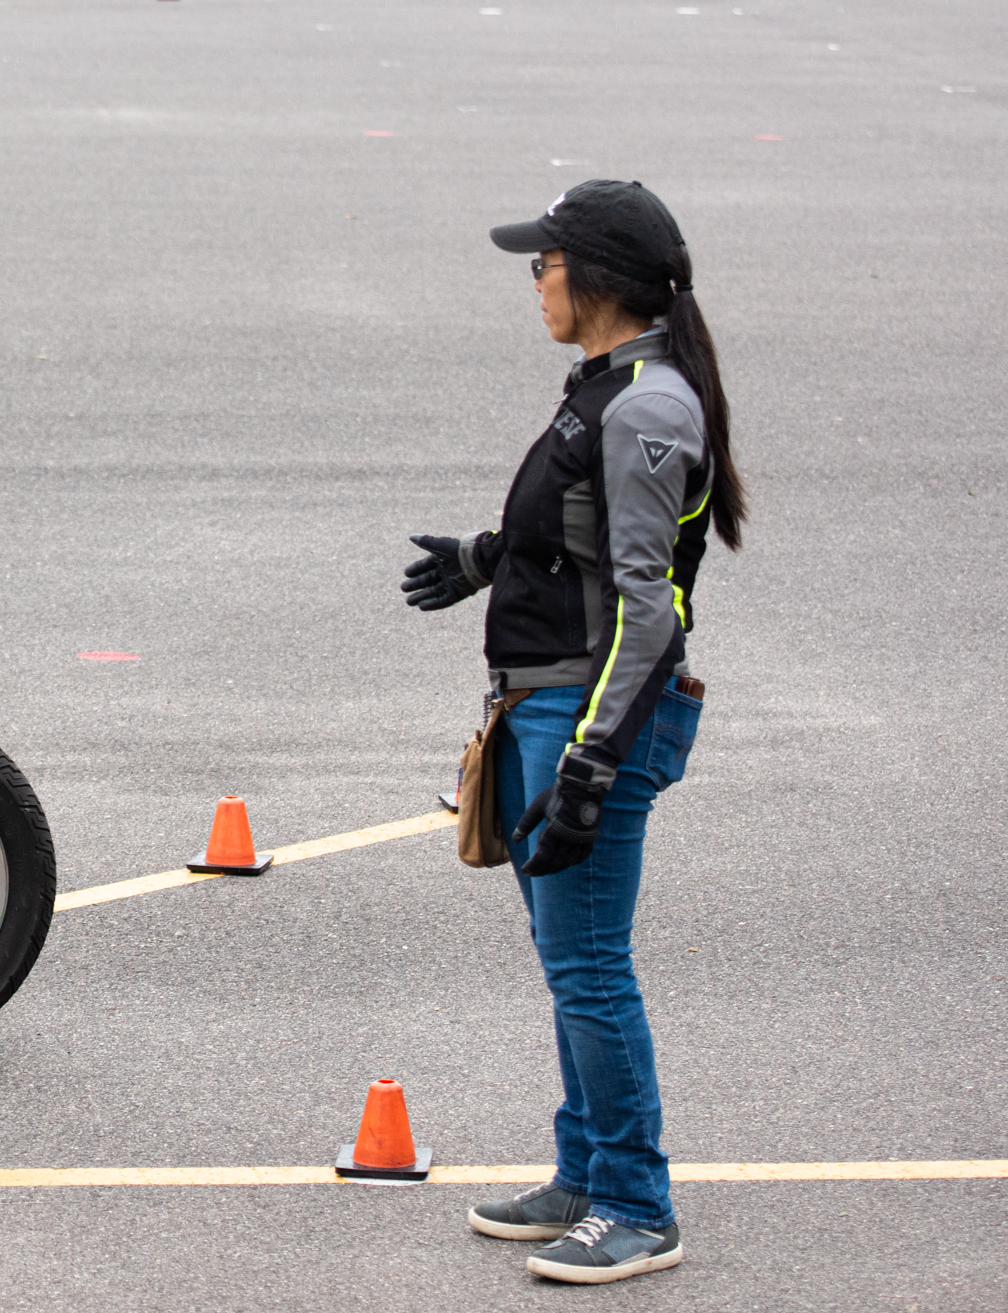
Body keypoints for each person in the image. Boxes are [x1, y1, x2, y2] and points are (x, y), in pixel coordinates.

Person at [399, 179, 747, 1285]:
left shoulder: (646, 405)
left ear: (594, 276)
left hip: (589, 714)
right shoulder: (606, 389)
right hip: (544, 703)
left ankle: (639, 1203)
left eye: (542, 262)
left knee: (591, 965)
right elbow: (575, 538)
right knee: (570, 963)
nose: (534, 280)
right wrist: (481, 559)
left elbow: (651, 608)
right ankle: (585, 1172)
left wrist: (592, 760)